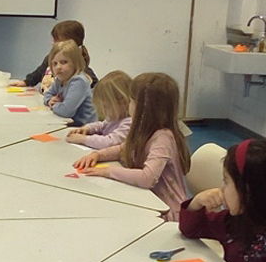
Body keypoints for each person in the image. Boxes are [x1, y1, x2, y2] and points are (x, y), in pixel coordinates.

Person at [73, 72, 191, 220]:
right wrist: (98, 155)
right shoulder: (144, 128)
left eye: (131, 101)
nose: (129, 105)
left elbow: (147, 178)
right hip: (148, 202)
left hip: (168, 213)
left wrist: (108, 171)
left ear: (144, 108)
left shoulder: (163, 138)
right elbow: (123, 148)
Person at [10, 20, 98, 89]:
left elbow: (95, 85)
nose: (52, 43)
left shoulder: (80, 66)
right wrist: (26, 82)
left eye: (57, 40)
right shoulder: (50, 58)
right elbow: (38, 73)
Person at [65, 70, 133, 150]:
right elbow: (102, 125)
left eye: (106, 107)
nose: (104, 111)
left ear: (123, 102)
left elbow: (110, 142)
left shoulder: (129, 122)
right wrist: (87, 129)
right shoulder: (115, 117)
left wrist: (83, 139)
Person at [42, 40, 97, 127]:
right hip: (68, 124)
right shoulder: (60, 79)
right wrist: (49, 101)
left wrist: (55, 105)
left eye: (64, 62)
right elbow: (47, 94)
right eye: (55, 63)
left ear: (75, 63)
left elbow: (66, 111)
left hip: (85, 128)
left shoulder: (79, 82)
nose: (58, 67)